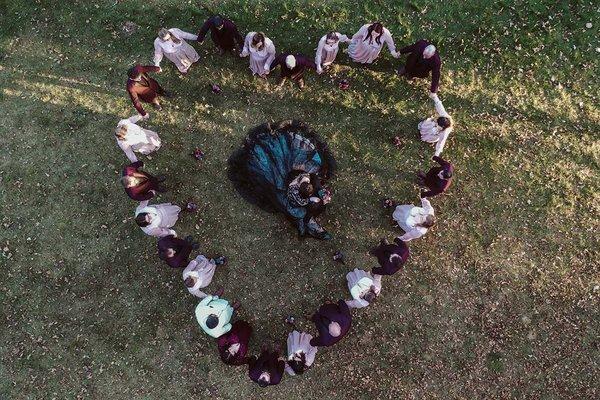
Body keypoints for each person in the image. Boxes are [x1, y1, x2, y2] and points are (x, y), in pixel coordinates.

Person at [228, 120, 336, 240]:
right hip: (286, 181)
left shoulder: (301, 186)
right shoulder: (297, 195)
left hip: (291, 182)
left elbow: (307, 180)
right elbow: (303, 184)